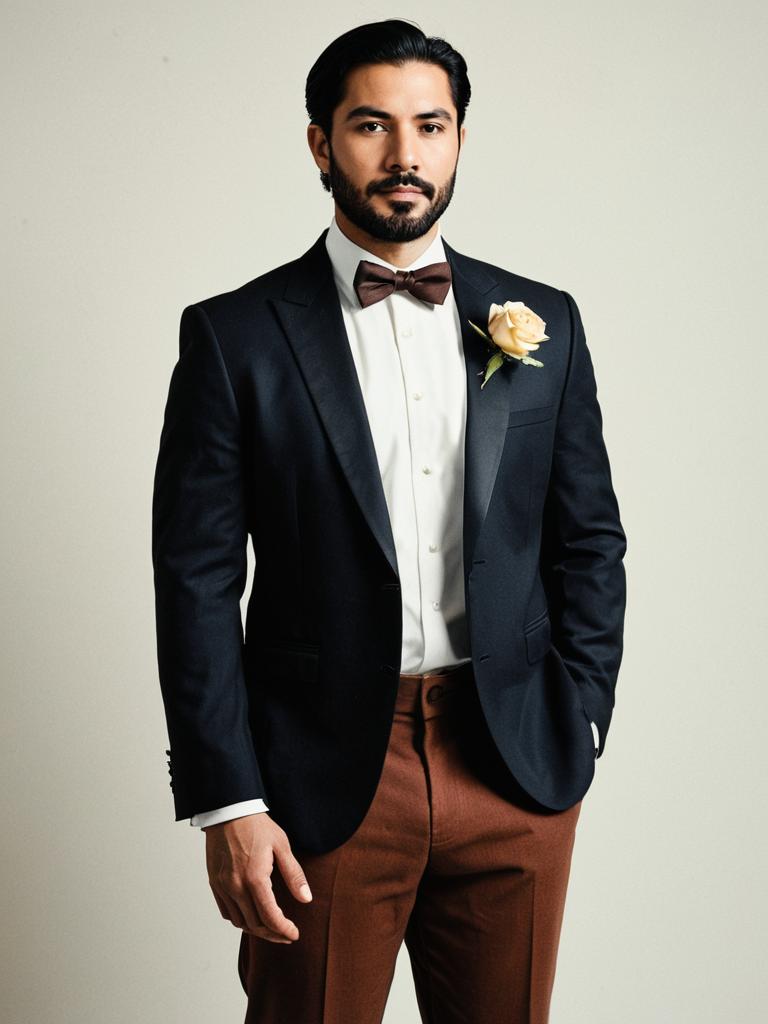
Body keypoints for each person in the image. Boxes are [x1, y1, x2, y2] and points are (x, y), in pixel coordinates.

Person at [152, 18, 627, 1024]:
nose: (406, 154)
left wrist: (578, 717)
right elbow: (193, 578)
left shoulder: (547, 320)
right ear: (322, 142)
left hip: (513, 767)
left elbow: (588, 538)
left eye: (431, 125)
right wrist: (229, 802)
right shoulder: (234, 338)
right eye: (372, 125)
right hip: (318, 784)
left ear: (459, 139)